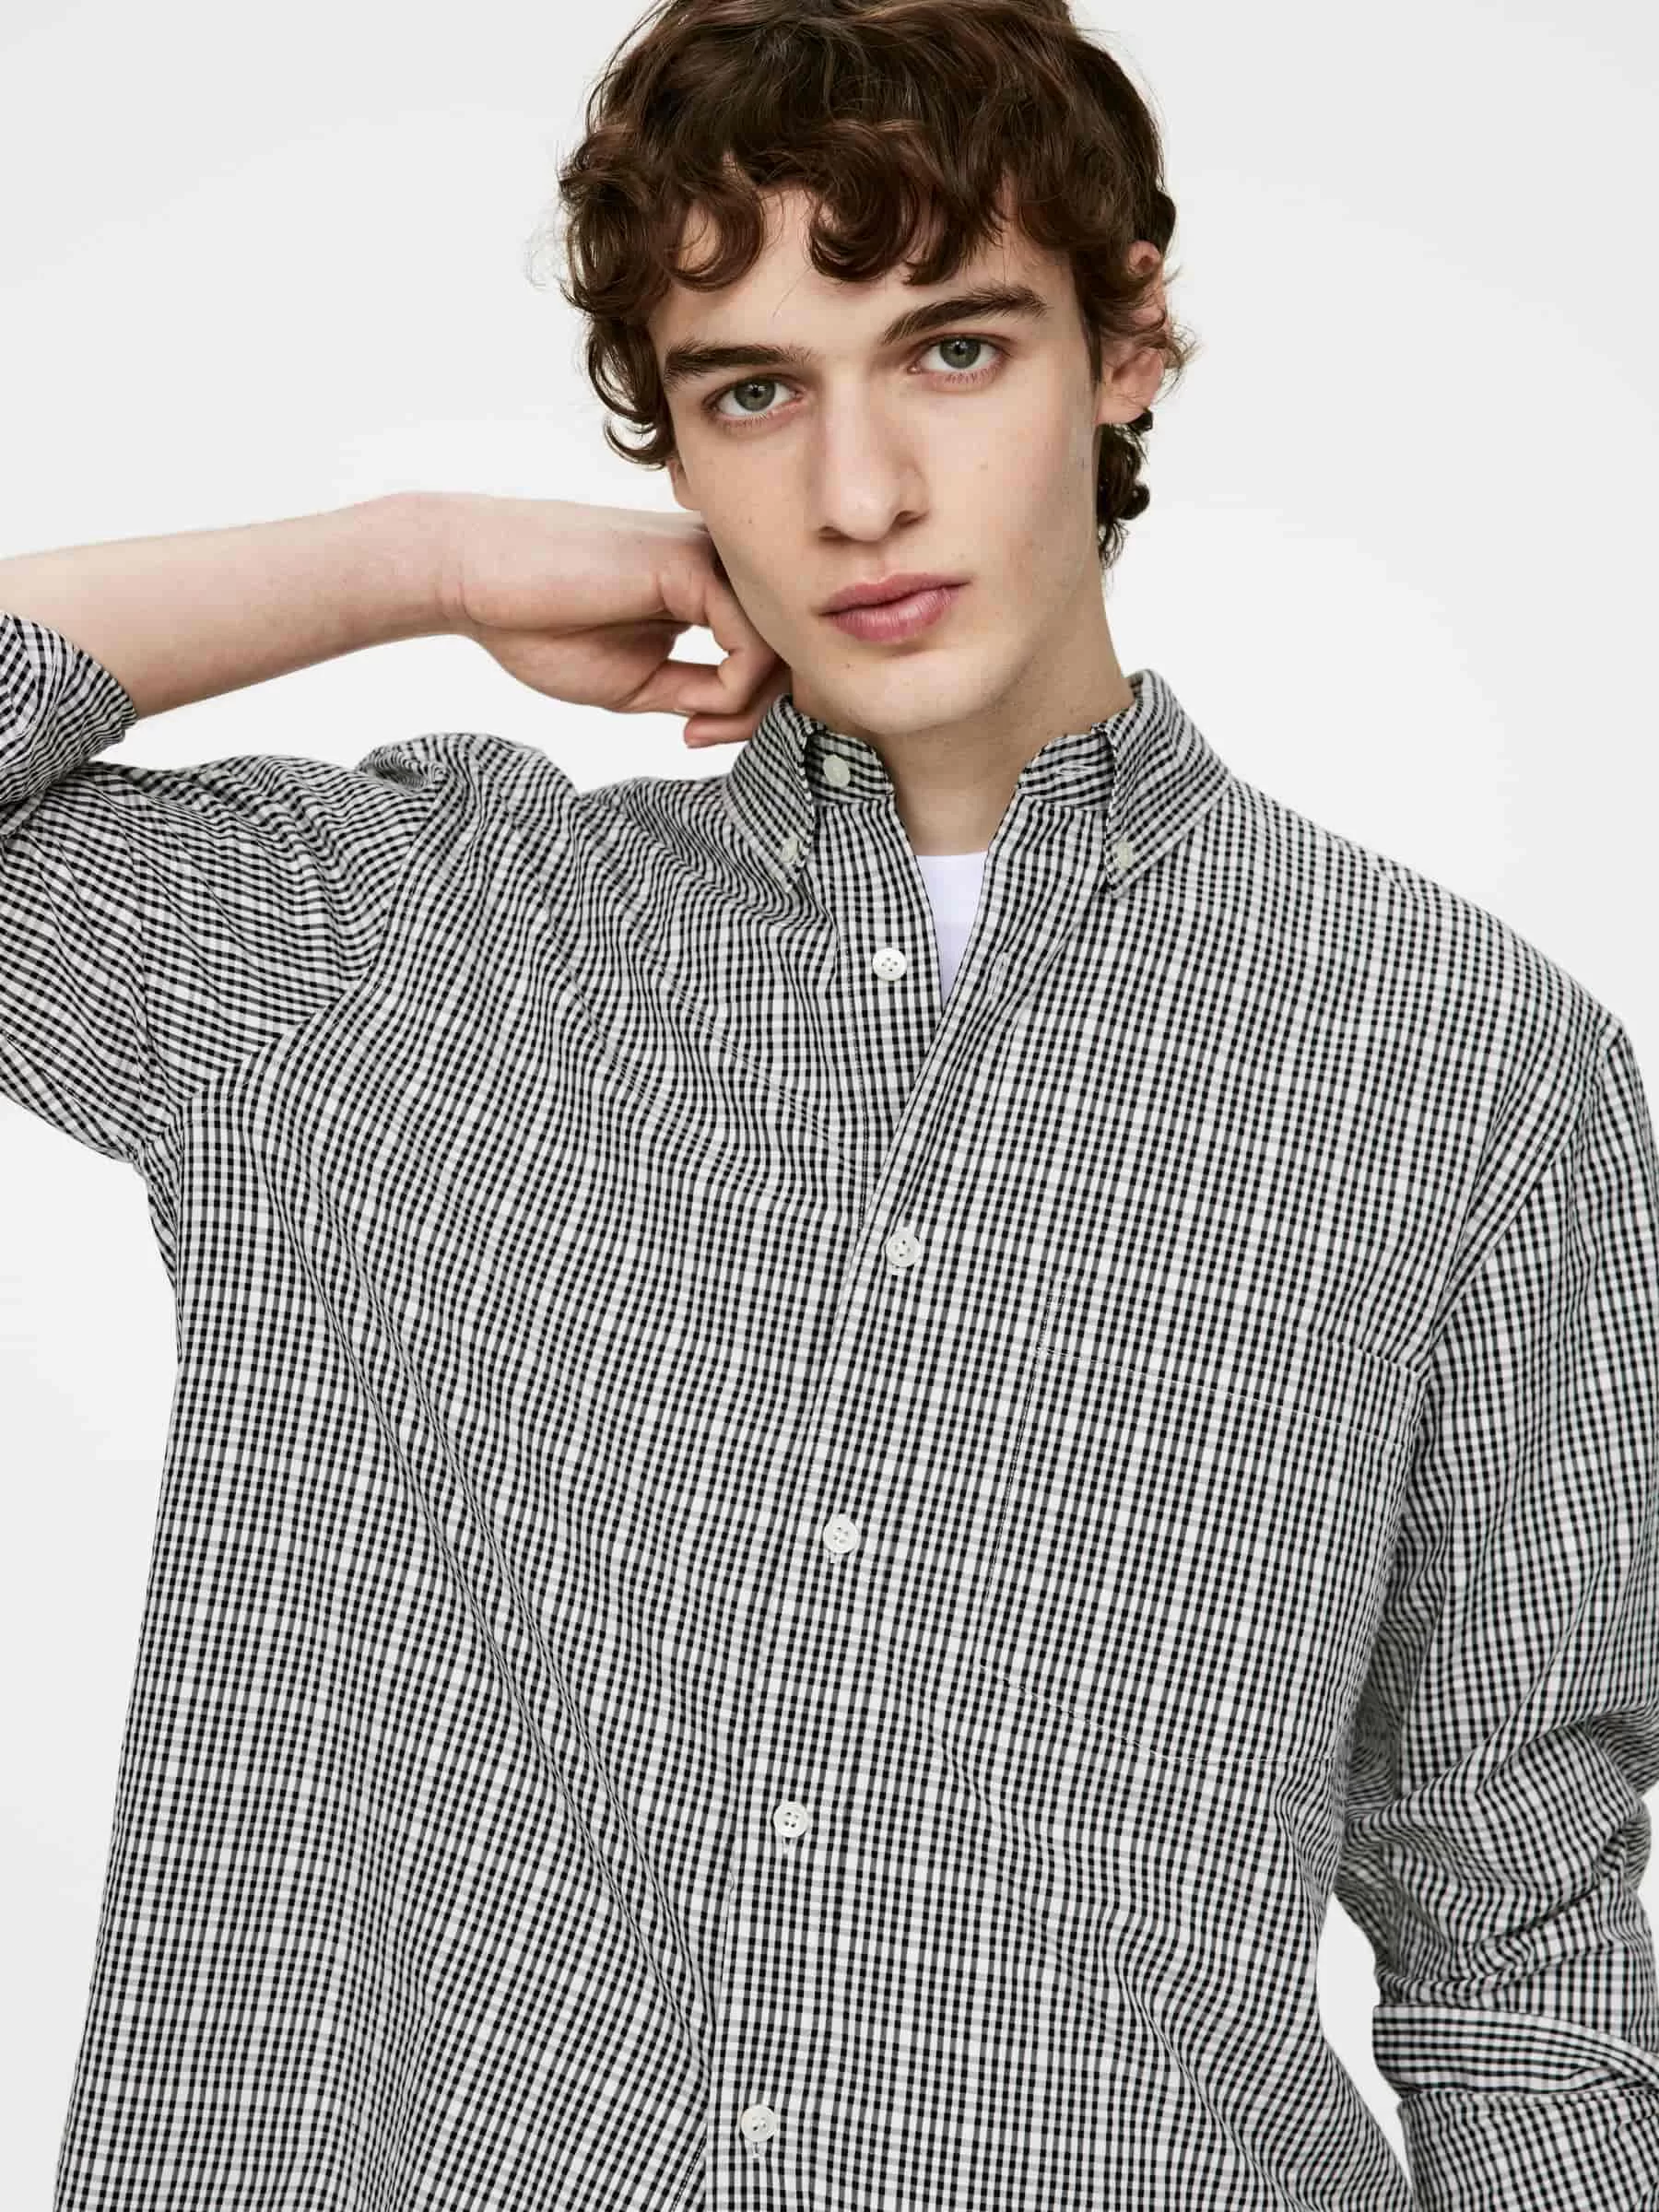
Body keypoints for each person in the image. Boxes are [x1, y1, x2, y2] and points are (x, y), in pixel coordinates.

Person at [5, 2, 1658, 2206]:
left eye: (953, 350)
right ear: (671, 442)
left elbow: (1522, 1962)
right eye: (754, 391)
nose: (858, 495)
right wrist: (414, 560)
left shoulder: (1473, 1071)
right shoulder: (383, 943)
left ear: (1128, 342)